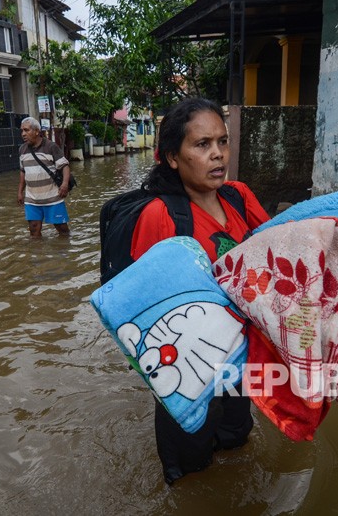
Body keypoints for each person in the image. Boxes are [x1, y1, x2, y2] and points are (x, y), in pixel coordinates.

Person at [130, 97, 271, 485]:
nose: (218, 155)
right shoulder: (160, 216)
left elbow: (274, 255)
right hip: (187, 371)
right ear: (173, 158)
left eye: (222, 142)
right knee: (190, 470)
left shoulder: (239, 196)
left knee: (238, 440)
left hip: (238, 358)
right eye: (202, 144)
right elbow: (146, 309)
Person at [17, 116, 71, 236]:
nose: (23, 134)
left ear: (37, 131)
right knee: (33, 230)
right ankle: (37, 253)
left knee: (62, 230)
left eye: (26, 130)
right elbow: (23, 172)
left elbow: (65, 166)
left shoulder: (50, 147)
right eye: (22, 131)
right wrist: (20, 192)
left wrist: (65, 184)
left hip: (52, 197)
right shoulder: (22, 150)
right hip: (32, 199)